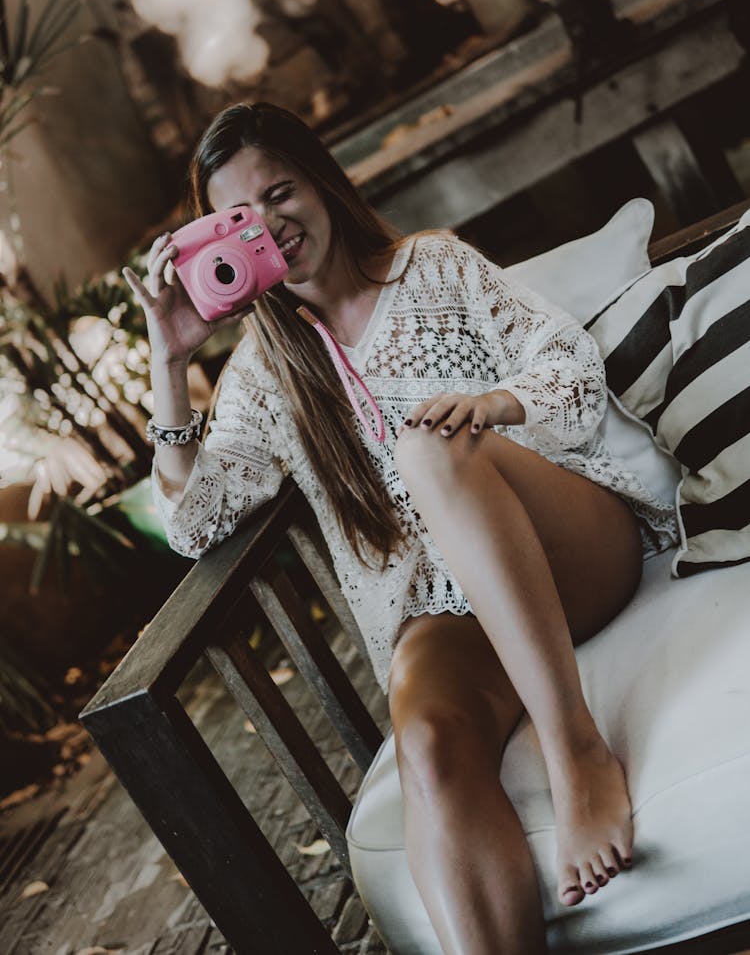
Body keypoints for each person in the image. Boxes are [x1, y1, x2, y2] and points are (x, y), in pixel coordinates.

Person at [124, 102, 677, 955]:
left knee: (431, 449)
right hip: (452, 617)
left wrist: (494, 406)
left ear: (324, 184)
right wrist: (169, 359)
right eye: (238, 217)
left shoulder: (432, 267)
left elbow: (564, 361)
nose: (269, 225)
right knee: (426, 743)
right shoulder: (267, 372)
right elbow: (193, 527)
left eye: (280, 193)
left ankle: (577, 754)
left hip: (572, 548)